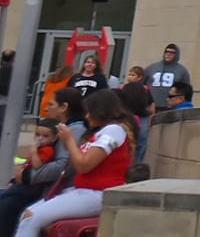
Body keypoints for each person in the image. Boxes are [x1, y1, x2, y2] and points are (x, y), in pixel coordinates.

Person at [17, 88, 134, 237]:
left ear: (101, 111)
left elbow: (84, 166)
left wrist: (70, 141)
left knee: (32, 218)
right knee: (27, 215)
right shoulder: (103, 132)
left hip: (97, 193)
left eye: (90, 111)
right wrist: (70, 145)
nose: (87, 116)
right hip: (84, 191)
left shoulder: (114, 130)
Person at [0, 88, 85, 234]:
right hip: (36, 185)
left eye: (51, 104)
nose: (46, 108)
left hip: (46, 189)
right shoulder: (60, 127)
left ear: (64, 107)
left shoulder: (74, 131)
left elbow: (62, 166)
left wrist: (28, 175)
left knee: (6, 209)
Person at [117, 68, 154, 166]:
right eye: (129, 74)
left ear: (140, 77)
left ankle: (137, 164)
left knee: (141, 141)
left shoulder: (145, 89)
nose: (129, 76)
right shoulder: (122, 88)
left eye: (133, 75)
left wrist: (151, 118)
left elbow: (151, 104)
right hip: (128, 115)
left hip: (141, 115)